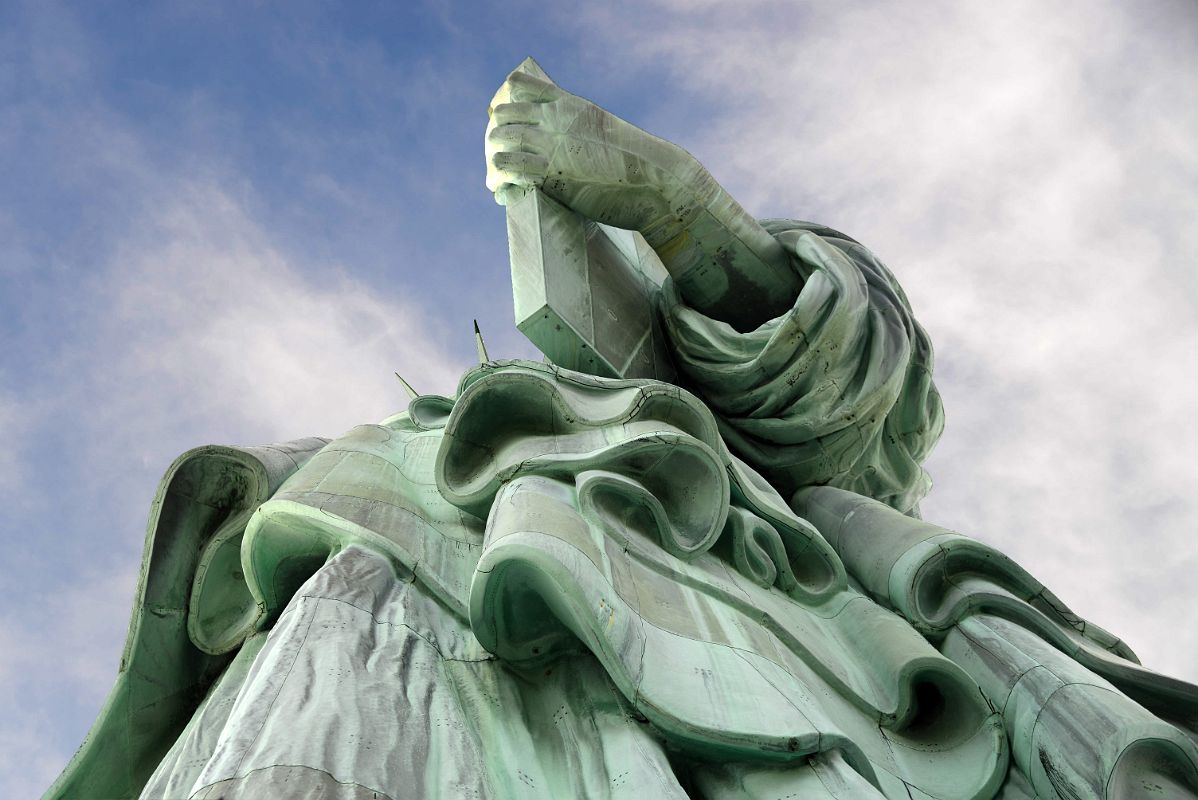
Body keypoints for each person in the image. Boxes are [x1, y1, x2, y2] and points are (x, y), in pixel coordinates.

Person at [46, 64, 1198, 800]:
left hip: (725, 617)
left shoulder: (812, 494)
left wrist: (670, 196)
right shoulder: (406, 481)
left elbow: (858, 380)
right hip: (392, 589)